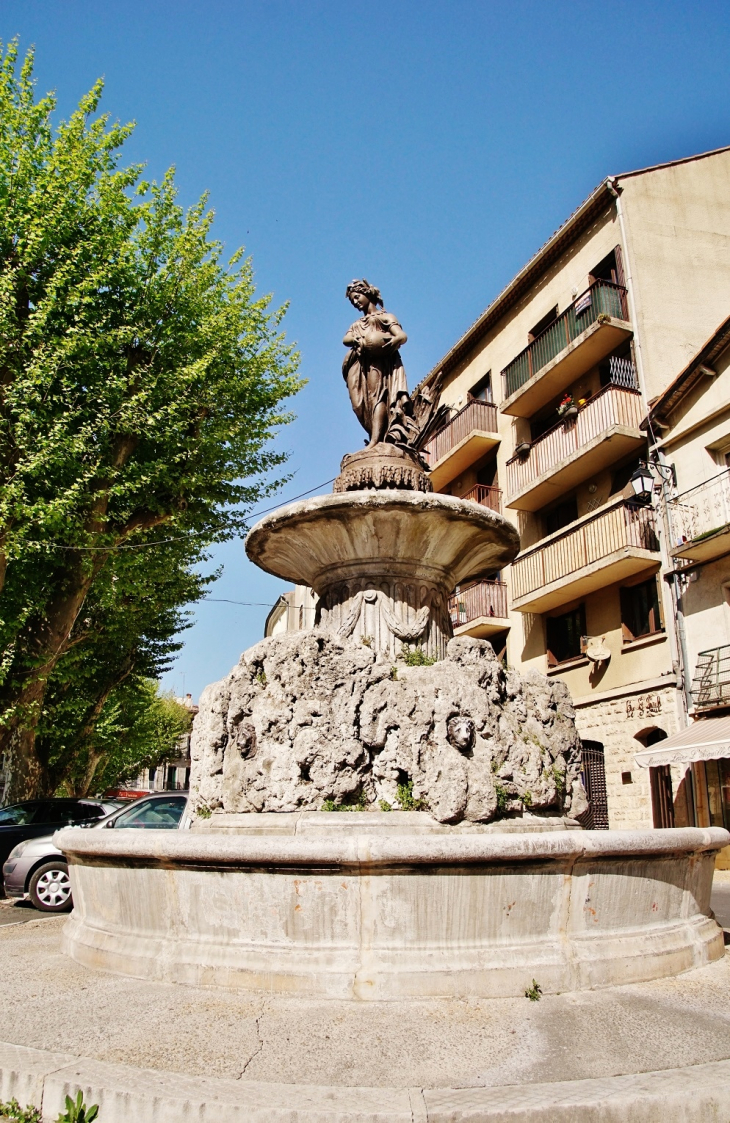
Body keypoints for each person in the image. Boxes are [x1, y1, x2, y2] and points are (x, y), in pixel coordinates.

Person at [342, 279, 409, 447]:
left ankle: (376, 440)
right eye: (352, 301)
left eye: (357, 297)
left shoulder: (385, 317)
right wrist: (356, 339)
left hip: (379, 362)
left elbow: (401, 335)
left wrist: (392, 343)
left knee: (376, 397)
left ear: (367, 293)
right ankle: (374, 434)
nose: (356, 302)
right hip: (362, 365)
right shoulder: (357, 324)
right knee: (359, 404)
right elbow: (346, 339)